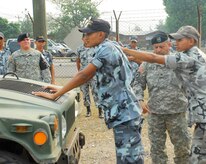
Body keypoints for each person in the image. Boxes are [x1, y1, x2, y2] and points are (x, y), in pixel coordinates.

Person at [33, 19, 144, 164]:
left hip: (125, 113)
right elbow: (90, 76)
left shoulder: (106, 49)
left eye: (88, 34)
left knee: (129, 159)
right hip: (124, 111)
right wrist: (62, 88)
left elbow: (84, 74)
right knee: (128, 157)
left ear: (100, 34)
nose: (85, 38)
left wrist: (56, 95)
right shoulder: (110, 46)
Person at [122, 25, 206, 164]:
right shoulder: (199, 55)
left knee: (197, 159)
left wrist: (123, 50)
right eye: (175, 39)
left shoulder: (187, 58)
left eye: (180, 39)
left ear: (191, 41)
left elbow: (152, 57)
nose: (176, 42)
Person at [132, 32, 191, 164]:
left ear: (169, 44)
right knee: (157, 149)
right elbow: (137, 83)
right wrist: (140, 100)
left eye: (161, 46)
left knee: (183, 148)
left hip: (177, 112)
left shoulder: (179, 61)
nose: (158, 50)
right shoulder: (147, 64)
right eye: (156, 47)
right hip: (155, 113)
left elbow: (192, 82)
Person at [76, 34, 103, 118]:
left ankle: (100, 111)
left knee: (96, 92)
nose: (87, 39)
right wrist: (80, 72)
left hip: (93, 74)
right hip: (83, 74)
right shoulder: (79, 49)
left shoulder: (95, 48)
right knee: (85, 92)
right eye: (85, 38)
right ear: (82, 39)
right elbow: (78, 61)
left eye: (88, 37)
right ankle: (88, 110)